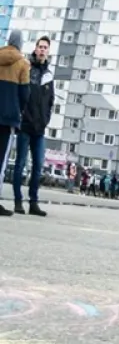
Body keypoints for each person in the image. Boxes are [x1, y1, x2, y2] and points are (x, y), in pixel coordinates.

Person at [12, 36, 54, 218]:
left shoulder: (48, 75)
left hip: (39, 128)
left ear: (48, 51)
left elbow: (50, 101)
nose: (42, 50)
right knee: (20, 164)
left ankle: (34, 202)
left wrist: (46, 120)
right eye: (40, 47)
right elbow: (19, 94)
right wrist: (20, 116)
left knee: (38, 166)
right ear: (35, 49)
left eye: (45, 47)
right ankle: (17, 201)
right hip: (25, 126)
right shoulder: (27, 68)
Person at [0, 30, 29, 219]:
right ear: (20, 43)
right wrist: (20, 110)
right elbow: (24, 94)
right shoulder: (23, 63)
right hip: (8, 117)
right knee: (1, 162)